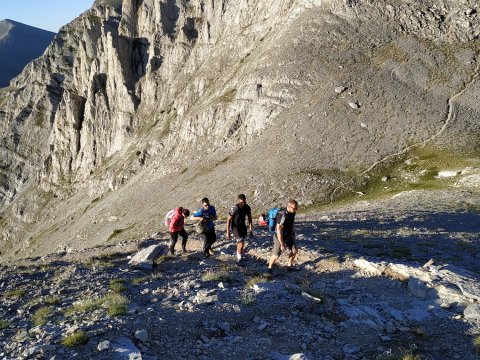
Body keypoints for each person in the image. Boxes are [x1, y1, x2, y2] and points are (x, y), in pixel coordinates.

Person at [267, 199, 299, 273]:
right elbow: (278, 230)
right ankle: (269, 268)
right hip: (279, 236)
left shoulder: (293, 213)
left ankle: (289, 266)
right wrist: (282, 244)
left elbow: (292, 223)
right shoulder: (282, 215)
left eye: (296, 208)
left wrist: (293, 233)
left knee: (294, 250)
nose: (295, 210)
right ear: (289, 206)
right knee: (276, 255)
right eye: (294, 208)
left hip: (288, 235)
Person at [226, 194, 253, 263]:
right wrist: (227, 232)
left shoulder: (247, 207)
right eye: (241, 202)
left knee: (242, 243)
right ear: (238, 201)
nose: (243, 203)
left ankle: (240, 255)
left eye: (244, 202)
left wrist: (251, 230)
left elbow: (250, 219)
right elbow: (228, 220)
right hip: (235, 227)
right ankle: (239, 259)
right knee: (240, 242)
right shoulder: (234, 208)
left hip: (243, 227)